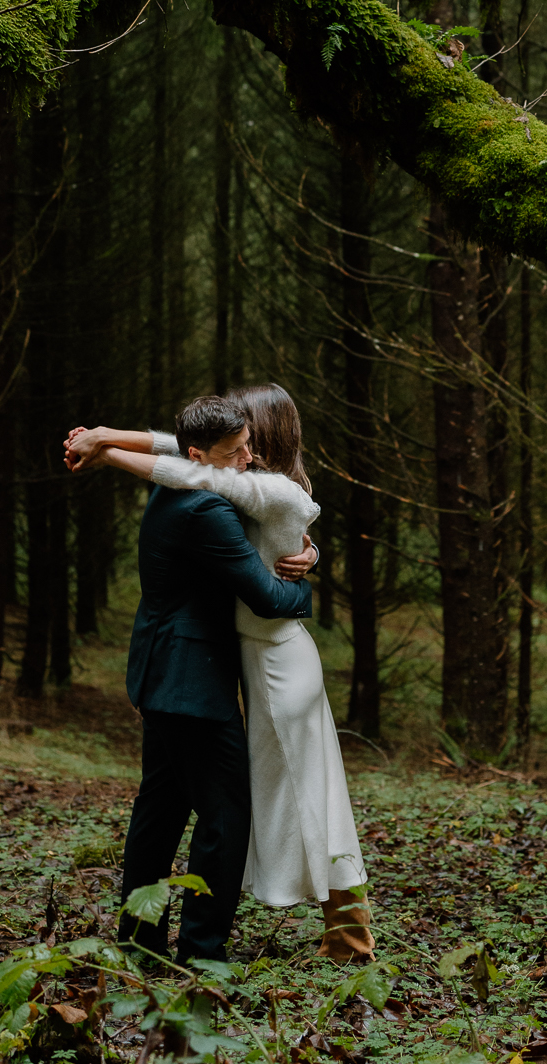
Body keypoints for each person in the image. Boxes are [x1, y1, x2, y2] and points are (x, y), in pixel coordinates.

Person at [65, 384, 373, 964]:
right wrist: (304, 583)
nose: (246, 455)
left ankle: (141, 943)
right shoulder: (206, 498)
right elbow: (264, 594)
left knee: (163, 809)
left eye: (250, 442)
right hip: (195, 680)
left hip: (181, 671)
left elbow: (176, 456)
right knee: (225, 812)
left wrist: (103, 444)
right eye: (236, 446)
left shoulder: (206, 481)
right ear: (202, 451)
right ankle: (200, 950)